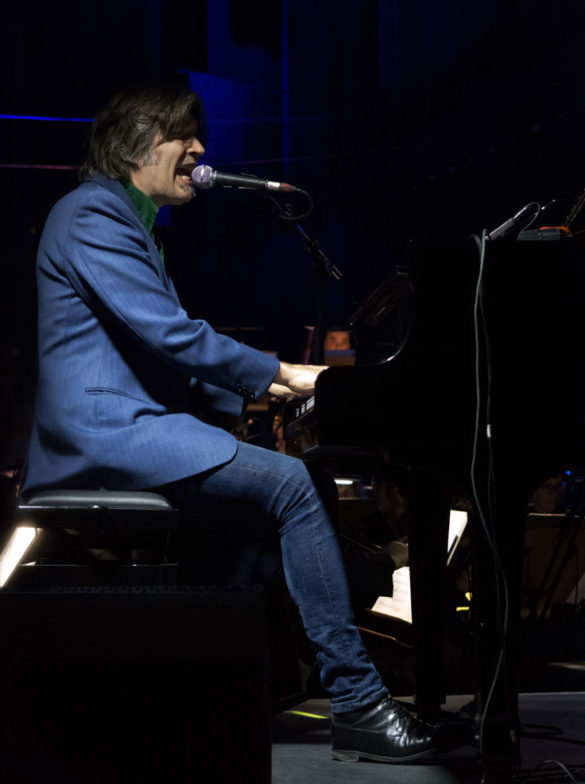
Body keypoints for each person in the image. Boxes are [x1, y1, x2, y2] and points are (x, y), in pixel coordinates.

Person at [21, 83, 441, 763]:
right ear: (135, 144)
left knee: (276, 496)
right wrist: (283, 374)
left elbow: (158, 353)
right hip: (103, 432)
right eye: (183, 136)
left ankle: (239, 692)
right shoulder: (91, 214)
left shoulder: (128, 224)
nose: (199, 150)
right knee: (291, 489)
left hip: (132, 423)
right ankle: (360, 705)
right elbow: (170, 336)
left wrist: (257, 404)